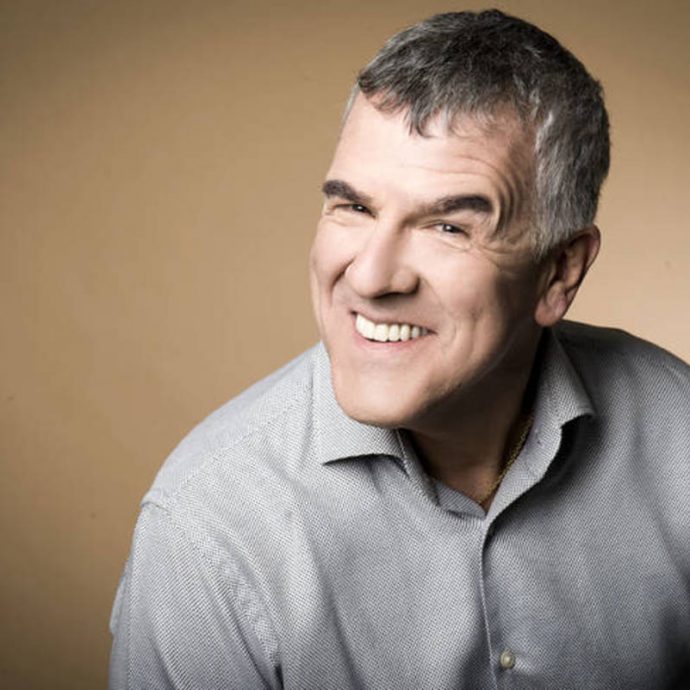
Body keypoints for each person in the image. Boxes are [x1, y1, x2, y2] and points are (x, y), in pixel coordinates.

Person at [109, 9, 689, 689]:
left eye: (448, 226)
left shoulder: (678, 435)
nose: (371, 277)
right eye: (355, 208)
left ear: (559, 272)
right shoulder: (207, 529)